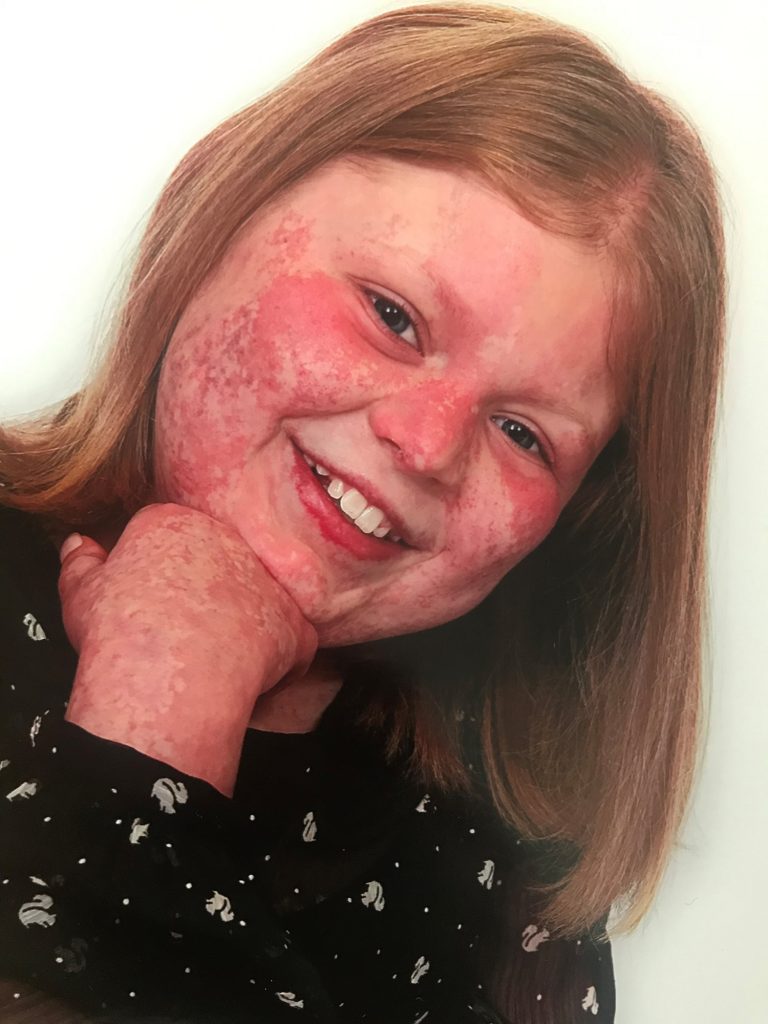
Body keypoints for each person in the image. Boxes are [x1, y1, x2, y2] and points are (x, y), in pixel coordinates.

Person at [0, 3, 726, 1022]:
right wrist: (146, 754)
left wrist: (164, 726)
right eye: (392, 316)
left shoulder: (502, 882)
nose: (425, 446)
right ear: (210, 202)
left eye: (525, 435)